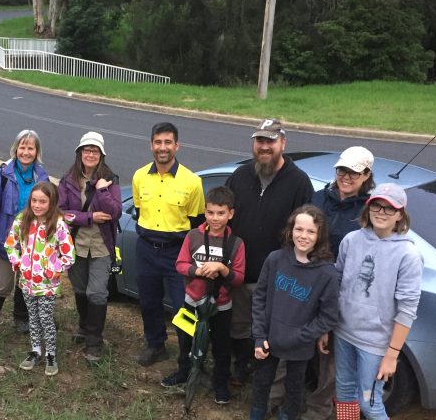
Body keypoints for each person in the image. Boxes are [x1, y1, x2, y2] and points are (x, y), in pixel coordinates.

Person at [313, 183, 422, 420]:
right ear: (368, 208)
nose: (381, 212)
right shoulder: (351, 240)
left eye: (388, 208)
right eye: (376, 206)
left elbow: (407, 309)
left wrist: (392, 354)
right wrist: (326, 327)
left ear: (400, 213)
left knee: (370, 400)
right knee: (345, 392)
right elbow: (338, 284)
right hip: (344, 332)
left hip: (376, 343)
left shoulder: (407, 254)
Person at [232, 205, 339, 420]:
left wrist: (300, 337)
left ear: (319, 235)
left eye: (311, 231)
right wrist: (259, 335)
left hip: (298, 347)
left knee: (293, 389)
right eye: (298, 229)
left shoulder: (326, 273)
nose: (303, 236)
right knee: (261, 383)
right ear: (290, 231)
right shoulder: (276, 259)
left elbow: (328, 316)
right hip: (267, 341)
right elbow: (259, 298)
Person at [225, 119, 313, 384]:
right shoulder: (239, 176)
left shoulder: (299, 183)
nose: (264, 146)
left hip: (277, 279)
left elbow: (306, 234)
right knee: (239, 328)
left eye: (270, 141)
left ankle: (266, 379)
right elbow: (222, 218)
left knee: (268, 332)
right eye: (260, 141)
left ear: (282, 144)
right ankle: (241, 368)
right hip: (240, 275)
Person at [297, 146, 375, 420]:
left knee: (328, 350)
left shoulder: (369, 210)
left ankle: (319, 407)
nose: (346, 176)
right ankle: (291, 394)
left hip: (341, 289)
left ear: (366, 174)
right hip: (306, 281)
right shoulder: (319, 198)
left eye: (354, 172)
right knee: (300, 338)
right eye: (342, 170)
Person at [132, 122, 205, 367]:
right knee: (149, 301)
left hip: (178, 251)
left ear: (177, 145)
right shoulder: (140, 176)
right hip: (146, 248)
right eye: (158, 142)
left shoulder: (192, 182)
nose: (162, 148)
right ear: (151, 145)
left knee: (182, 306)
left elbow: (197, 223)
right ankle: (155, 345)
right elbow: (141, 210)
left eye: (168, 142)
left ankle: (188, 356)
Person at [173, 186, 246, 402]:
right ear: (205, 212)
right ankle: (184, 372)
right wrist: (197, 271)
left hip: (221, 306)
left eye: (221, 213)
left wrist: (223, 269)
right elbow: (180, 264)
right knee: (186, 340)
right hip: (191, 301)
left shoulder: (236, 243)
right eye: (211, 212)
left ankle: (220, 383)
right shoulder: (193, 236)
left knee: (222, 347)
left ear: (230, 214)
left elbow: (239, 278)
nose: (215, 218)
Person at [58, 131, 122, 362]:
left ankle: (94, 341)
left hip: (101, 246)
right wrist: (89, 217)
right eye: (87, 150)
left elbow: (115, 212)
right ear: (79, 153)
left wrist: (103, 189)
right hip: (75, 244)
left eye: (95, 150)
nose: (90, 154)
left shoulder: (110, 179)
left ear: (101, 154)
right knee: (80, 288)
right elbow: (62, 213)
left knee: (97, 292)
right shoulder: (68, 180)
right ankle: (84, 328)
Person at [0, 130, 49, 339]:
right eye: (22, 147)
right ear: (16, 149)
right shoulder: (2, 175)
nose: (26, 152)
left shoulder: (42, 177)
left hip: (32, 240)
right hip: (6, 239)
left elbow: (48, 208)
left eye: (31, 148)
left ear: (37, 152)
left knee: (25, 282)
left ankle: (21, 317)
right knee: (2, 284)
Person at [5, 182, 75, 376]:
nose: (37, 205)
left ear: (52, 202)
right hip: (26, 282)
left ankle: (51, 354)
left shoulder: (58, 224)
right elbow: (10, 244)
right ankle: (36, 350)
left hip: (47, 285)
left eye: (42, 201)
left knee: (45, 318)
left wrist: (54, 269)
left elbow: (69, 255)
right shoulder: (22, 219)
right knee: (33, 317)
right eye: (34, 201)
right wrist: (18, 261)